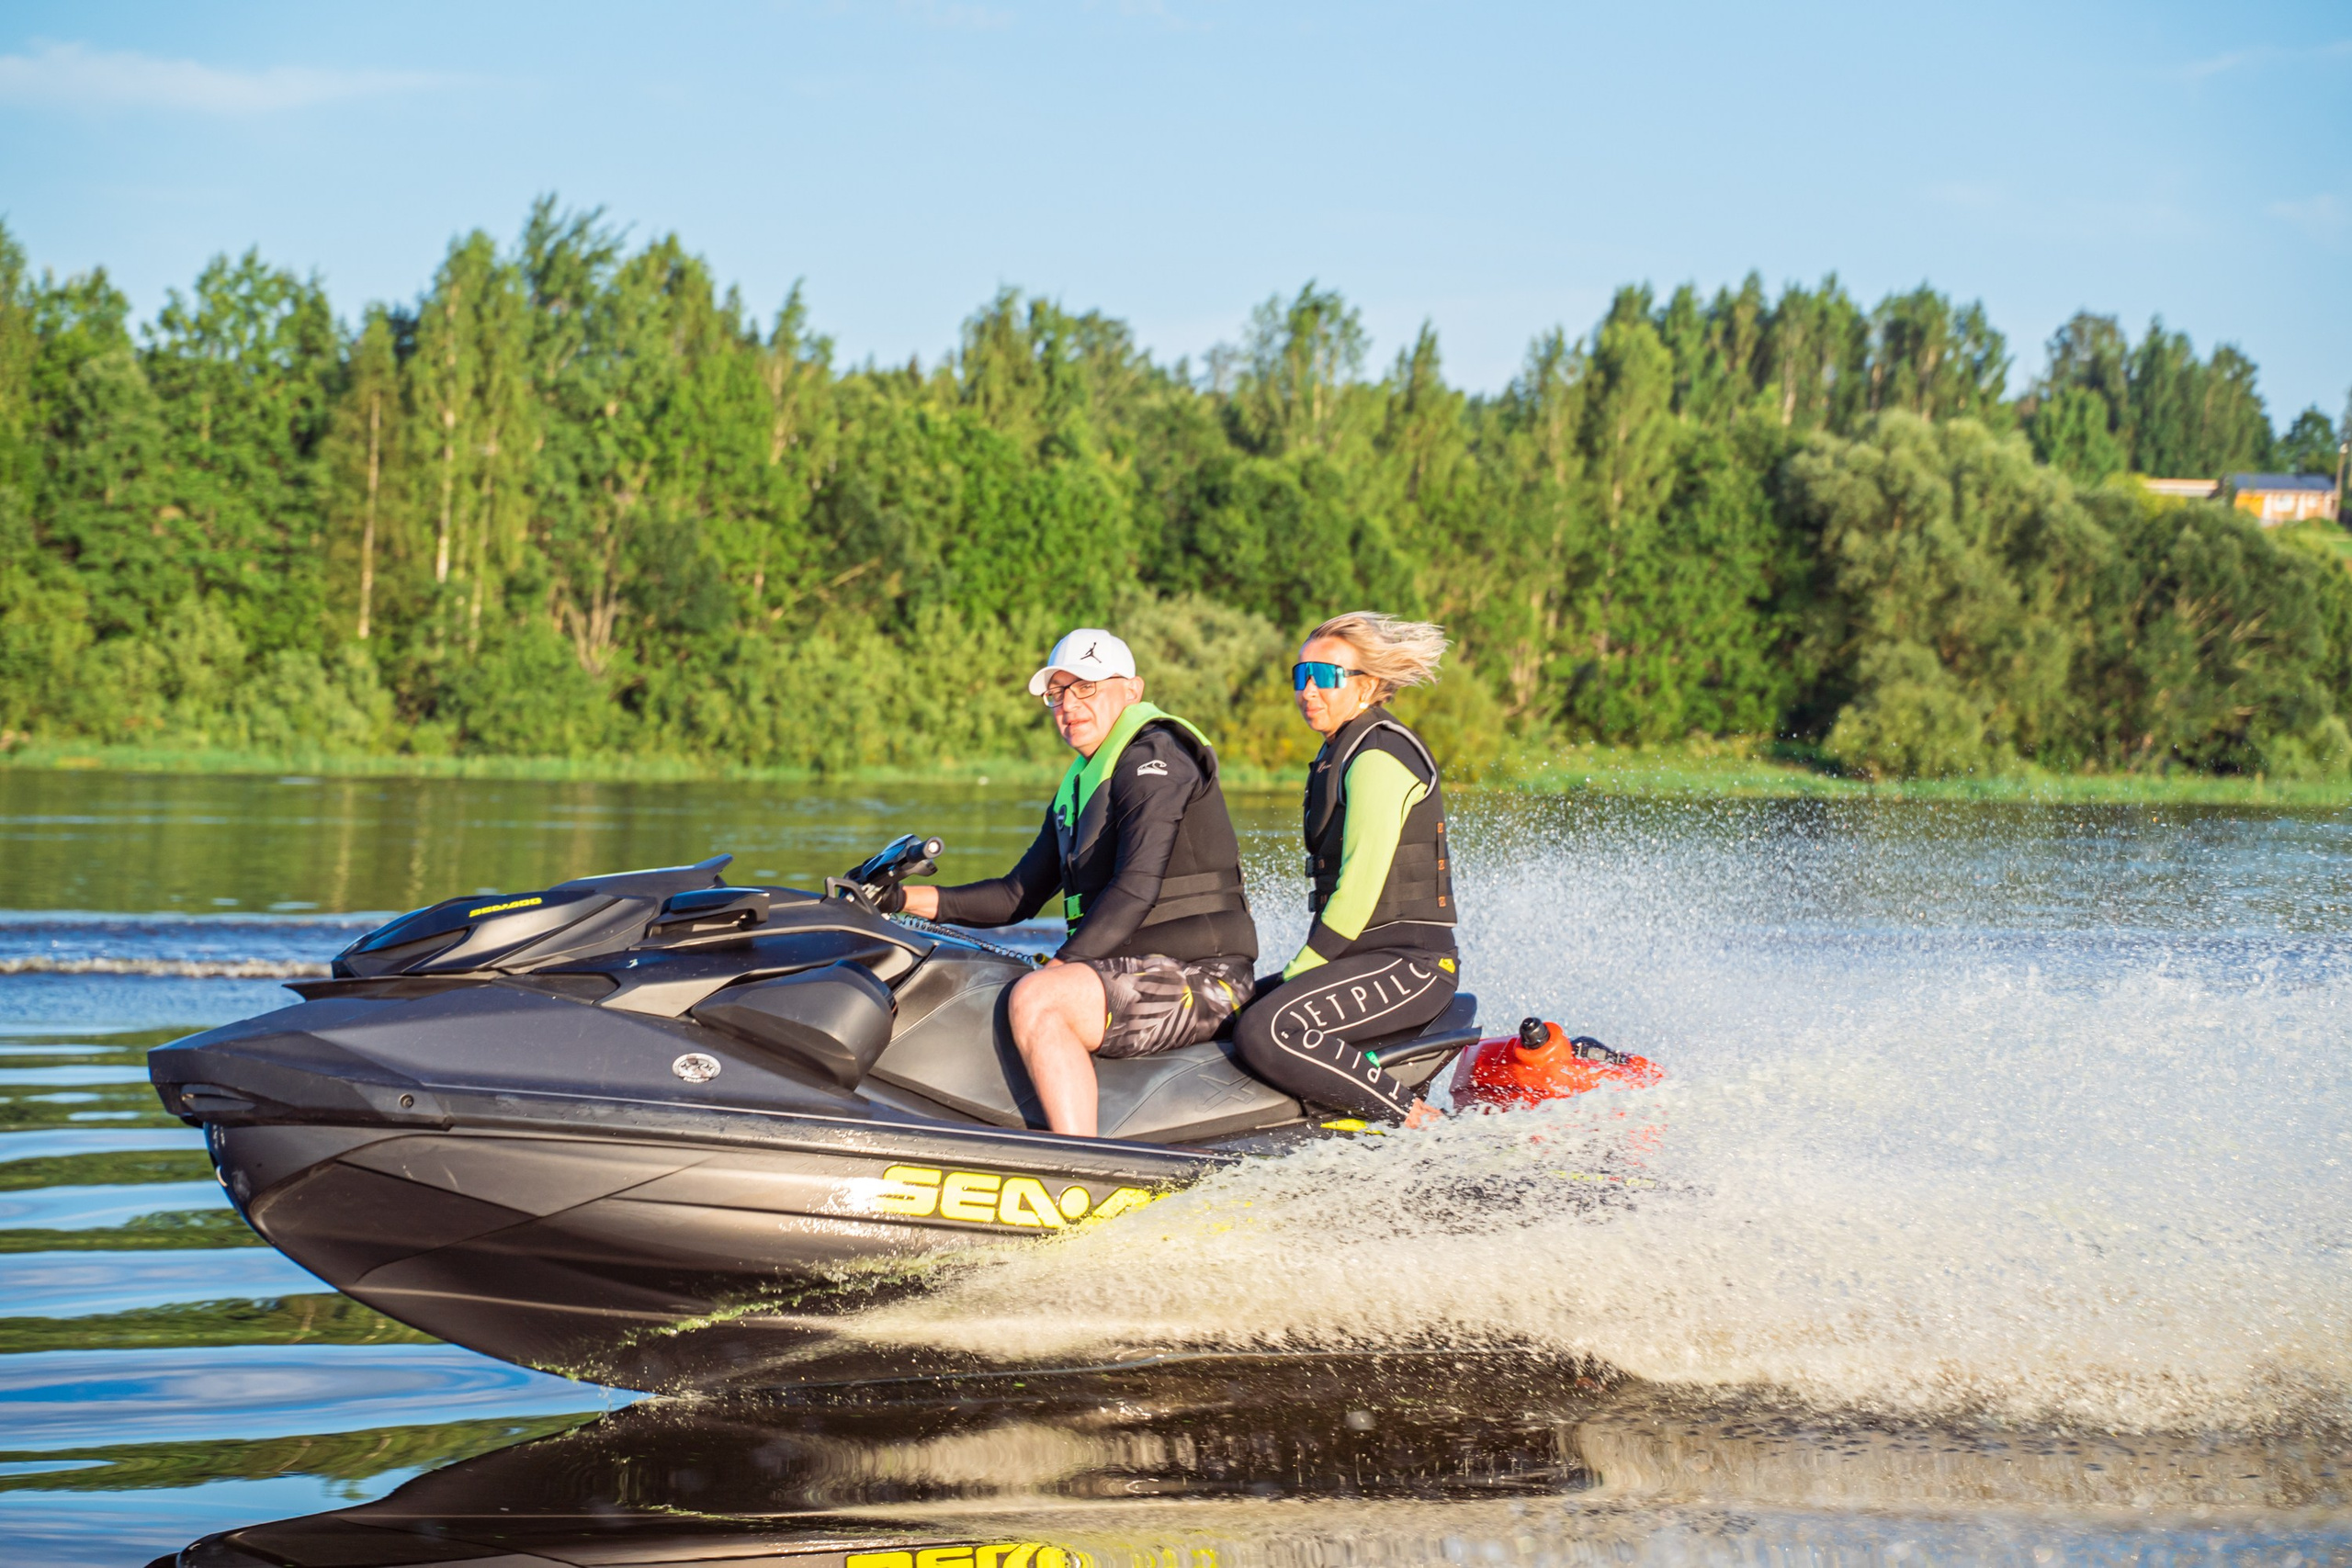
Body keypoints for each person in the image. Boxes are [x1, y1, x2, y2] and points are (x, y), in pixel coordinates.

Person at [891, 629, 1258, 1136]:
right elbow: (1015, 895)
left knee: (1039, 997)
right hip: (1134, 971)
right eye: (1057, 693)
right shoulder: (1080, 784)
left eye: (1086, 687)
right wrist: (899, 899)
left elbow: (1136, 887)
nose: (1068, 705)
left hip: (1205, 978)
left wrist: (1061, 967)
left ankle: (1077, 1165)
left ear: (1132, 690)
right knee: (985, 977)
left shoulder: (1158, 755)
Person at [1235, 612, 1457, 1128]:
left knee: (1267, 1029)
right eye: (1300, 675)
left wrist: (1299, 971)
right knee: (1229, 1016)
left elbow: (1359, 889)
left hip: (1412, 966)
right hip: (1362, 961)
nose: (1308, 689)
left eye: (1327, 676)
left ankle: (1418, 1121)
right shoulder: (1339, 749)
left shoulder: (1380, 752)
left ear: (1369, 684)